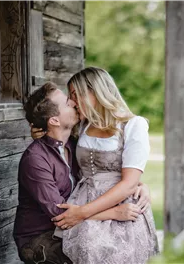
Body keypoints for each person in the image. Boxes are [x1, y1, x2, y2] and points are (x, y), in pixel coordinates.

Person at [14, 82, 149, 264]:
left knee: (122, 244)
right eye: (67, 103)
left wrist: (137, 184)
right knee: (96, 255)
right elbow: (59, 214)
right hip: (41, 236)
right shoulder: (36, 159)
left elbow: (101, 172)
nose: (74, 102)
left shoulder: (74, 145)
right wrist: (114, 213)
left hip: (75, 224)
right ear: (54, 120)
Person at [51, 67, 159, 263]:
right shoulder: (81, 125)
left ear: (96, 92)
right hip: (83, 199)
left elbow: (128, 183)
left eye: (76, 95)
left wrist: (82, 213)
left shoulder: (133, 126)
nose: (72, 102)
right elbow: (52, 133)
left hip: (122, 205)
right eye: (70, 96)